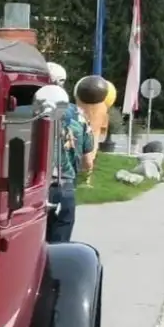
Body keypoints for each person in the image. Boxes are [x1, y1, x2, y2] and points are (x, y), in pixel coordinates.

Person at [44, 77, 96, 243]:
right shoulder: (78, 114)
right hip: (65, 185)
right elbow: (88, 161)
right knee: (60, 245)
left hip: (33, 187)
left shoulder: (32, 110)